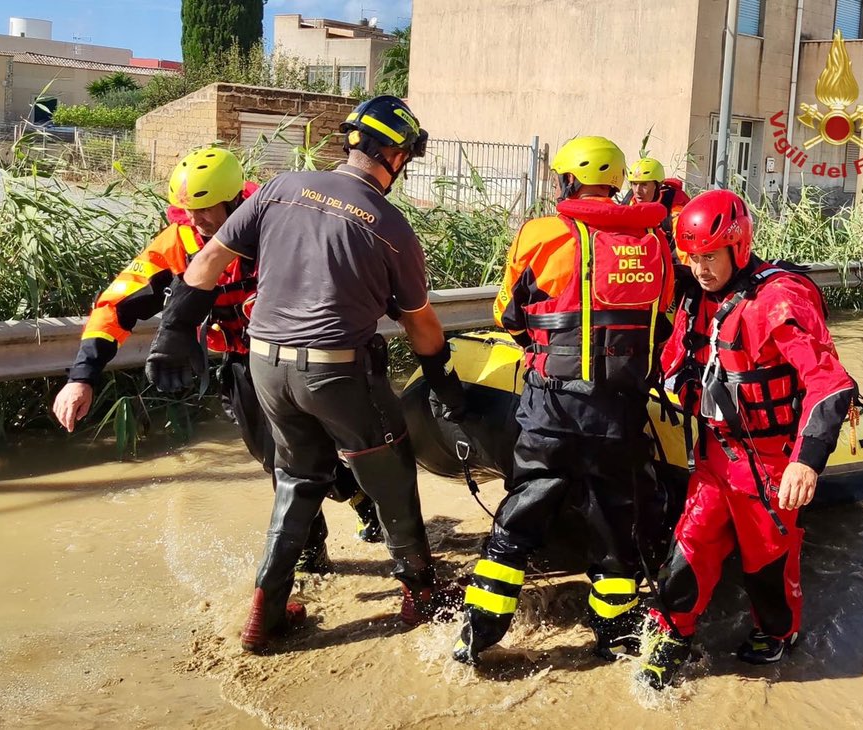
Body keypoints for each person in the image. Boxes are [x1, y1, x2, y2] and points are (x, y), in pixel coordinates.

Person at [143, 96, 466, 653]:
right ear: (392, 154)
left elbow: (206, 263)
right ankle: (421, 591)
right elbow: (421, 323)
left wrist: (172, 333)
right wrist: (441, 377)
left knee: (296, 478)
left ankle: (266, 610)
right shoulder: (391, 226)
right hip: (337, 373)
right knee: (388, 472)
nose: (404, 166)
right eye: (406, 157)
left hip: (265, 364)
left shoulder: (279, 188)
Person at [51, 147, 381, 574]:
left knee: (322, 453)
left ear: (235, 201)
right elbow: (115, 305)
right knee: (277, 460)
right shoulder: (179, 241)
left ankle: (320, 546)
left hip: (307, 355)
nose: (196, 220)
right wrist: (82, 377)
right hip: (245, 365)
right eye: (188, 210)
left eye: (206, 210)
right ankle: (345, 515)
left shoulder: (278, 223)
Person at [452, 136, 675, 665]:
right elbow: (662, 322)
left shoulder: (541, 234)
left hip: (551, 407)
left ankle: (477, 634)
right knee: (614, 522)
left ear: (567, 181)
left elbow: (508, 313)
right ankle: (615, 637)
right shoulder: (654, 245)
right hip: (619, 411)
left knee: (522, 512)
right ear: (619, 183)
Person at [637, 189, 858, 690]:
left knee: (767, 561)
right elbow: (672, 360)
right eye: (693, 258)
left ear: (738, 247)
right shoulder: (696, 297)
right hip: (715, 453)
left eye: (710, 257)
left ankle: (778, 632)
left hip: (772, 462)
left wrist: (807, 462)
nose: (701, 268)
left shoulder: (779, 300)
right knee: (689, 543)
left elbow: (830, 382)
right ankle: (672, 631)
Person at [624, 157, 690, 255]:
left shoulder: (674, 209)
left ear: (657, 185)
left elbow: (684, 251)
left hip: (666, 259)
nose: (637, 190)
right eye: (634, 184)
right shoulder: (628, 203)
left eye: (644, 184)